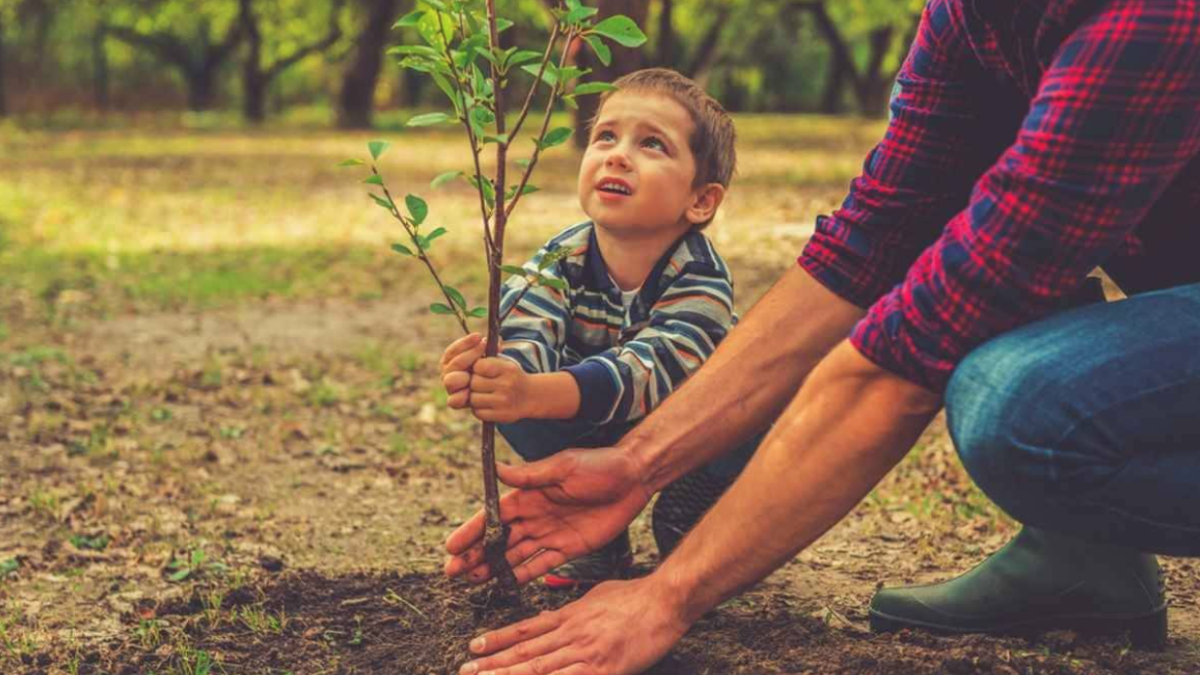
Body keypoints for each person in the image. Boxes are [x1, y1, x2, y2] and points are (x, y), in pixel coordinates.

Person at [442, 1, 1200, 673]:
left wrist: (666, 595)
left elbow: (923, 340)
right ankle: (1084, 557)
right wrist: (635, 465)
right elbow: (871, 240)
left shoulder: (1152, 17)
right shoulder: (968, 20)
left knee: (1019, 404)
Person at [439, 68, 758, 589]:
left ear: (700, 200)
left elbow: (655, 371)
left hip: (691, 429)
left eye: (652, 144)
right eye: (605, 136)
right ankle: (598, 535)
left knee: (755, 417)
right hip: (596, 419)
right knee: (519, 405)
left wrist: (542, 391)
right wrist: (497, 376)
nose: (617, 154)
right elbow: (526, 328)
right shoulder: (563, 256)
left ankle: (702, 504)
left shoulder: (700, 275)